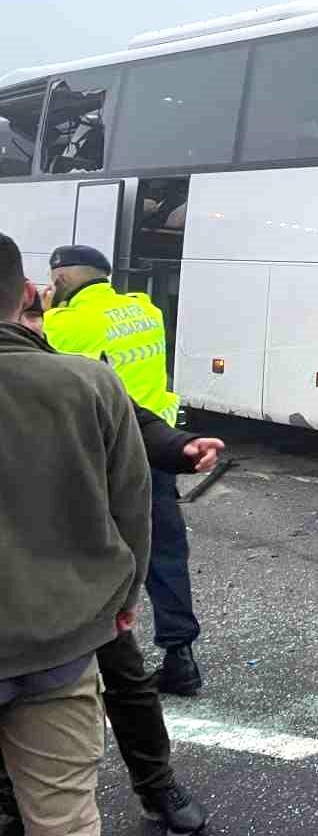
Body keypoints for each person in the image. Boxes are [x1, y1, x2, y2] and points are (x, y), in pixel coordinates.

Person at [0, 284, 217, 836]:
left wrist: (177, 446)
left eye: (38, 314)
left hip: (72, 577)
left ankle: (156, 784)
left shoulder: (67, 367)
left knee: (125, 677)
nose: (37, 322)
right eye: (31, 311)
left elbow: (128, 418)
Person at [0, 233, 150, 836]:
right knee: (64, 821)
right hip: (57, 648)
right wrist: (123, 602)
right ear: (29, 294)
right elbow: (133, 512)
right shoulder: (89, 385)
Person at [43, 245, 203, 695]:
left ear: (61, 280)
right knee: (164, 553)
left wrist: (49, 307)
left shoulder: (66, 323)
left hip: (103, 453)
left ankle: (80, 661)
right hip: (157, 446)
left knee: (87, 553)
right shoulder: (144, 309)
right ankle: (180, 658)